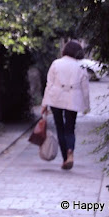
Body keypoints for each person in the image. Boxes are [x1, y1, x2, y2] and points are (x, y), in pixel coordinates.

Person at [41, 40, 90, 170]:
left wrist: (44, 103)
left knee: (60, 128)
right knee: (70, 128)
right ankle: (70, 153)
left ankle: (64, 159)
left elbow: (49, 84)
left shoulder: (56, 64)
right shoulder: (81, 67)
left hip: (55, 98)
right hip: (73, 99)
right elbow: (85, 88)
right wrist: (87, 106)